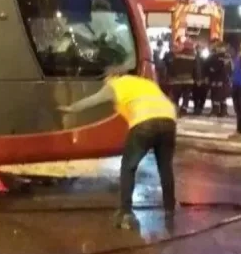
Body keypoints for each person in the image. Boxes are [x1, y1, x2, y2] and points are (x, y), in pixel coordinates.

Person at [58, 68, 177, 231]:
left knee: (128, 167)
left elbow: (93, 101)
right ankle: (170, 208)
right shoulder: (144, 83)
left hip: (144, 121)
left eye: (105, 80)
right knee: (165, 168)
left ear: (112, 76)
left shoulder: (115, 84)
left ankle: (126, 212)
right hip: (169, 119)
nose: (104, 84)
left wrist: (71, 108)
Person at [166, 40, 198, 114]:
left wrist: (170, 76)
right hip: (189, 80)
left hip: (177, 80)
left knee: (176, 95)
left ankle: (175, 108)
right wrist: (197, 79)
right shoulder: (193, 57)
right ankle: (184, 109)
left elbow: (172, 67)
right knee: (186, 96)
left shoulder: (177, 55)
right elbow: (196, 69)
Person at [206, 43, 231, 117]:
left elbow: (210, 67)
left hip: (217, 79)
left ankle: (215, 111)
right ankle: (223, 112)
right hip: (224, 80)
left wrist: (211, 71)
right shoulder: (227, 56)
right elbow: (230, 69)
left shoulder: (214, 56)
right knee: (222, 97)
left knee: (215, 96)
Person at [191, 43, 209, 115]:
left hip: (202, 79)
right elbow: (192, 69)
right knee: (196, 95)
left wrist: (205, 78)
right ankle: (197, 108)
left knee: (202, 95)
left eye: (200, 49)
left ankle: (199, 108)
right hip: (196, 79)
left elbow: (207, 69)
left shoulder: (204, 59)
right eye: (197, 49)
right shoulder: (194, 58)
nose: (199, 50)